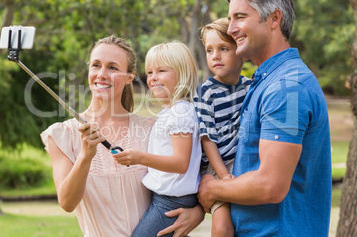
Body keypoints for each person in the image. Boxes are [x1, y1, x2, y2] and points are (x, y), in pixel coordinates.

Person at [197, 0, 332, 236]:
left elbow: (270, 185)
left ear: (274, 19)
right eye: (230, 18)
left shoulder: (287, 88)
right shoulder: (265, 82)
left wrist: (212, 189)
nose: (232, 28)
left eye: (240, 17)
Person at [40, 35, 204, 237]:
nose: (102, 74)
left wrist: (199, 211)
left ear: (129, 77)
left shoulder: (152, 128)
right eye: (96, 65)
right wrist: (85, 156)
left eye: (113, 68)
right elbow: (66, 203)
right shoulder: (62, 135)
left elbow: (195, 168)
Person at [114, 41, 202, 237]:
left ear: (182, 73)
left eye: (161, 71)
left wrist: (139, 158)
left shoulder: (180, 112)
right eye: (150, 72)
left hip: (171, 201)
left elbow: (181, 163)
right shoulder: (173, 111)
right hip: (165, 198)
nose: (153, 78)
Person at [193, 18, 251, 236]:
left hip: (245, 161)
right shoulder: (206, 92)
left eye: (223, 48)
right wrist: (223, 175)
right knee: (222, 226)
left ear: (242, 51)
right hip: (218, 165)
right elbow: (207, 139)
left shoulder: (250, 86)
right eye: (209, 50)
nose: (215, 55)